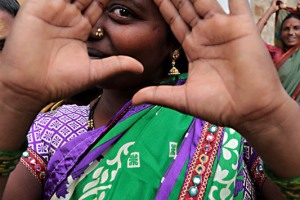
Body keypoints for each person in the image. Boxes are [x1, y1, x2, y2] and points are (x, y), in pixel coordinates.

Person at [0, 0, 299, 199]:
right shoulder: (51, 128)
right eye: (83, 10)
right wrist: (13, 101)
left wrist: (268, 119)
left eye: (122, 12)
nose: (93, 28)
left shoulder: (232, 125)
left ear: (174, 41)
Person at [257, 0, 300, 102]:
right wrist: (270, 10)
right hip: (278, 112)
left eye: (296, 28)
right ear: (280, 34)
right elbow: (251, 39)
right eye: (286, 29)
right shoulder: (277, 54)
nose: (290, 33)